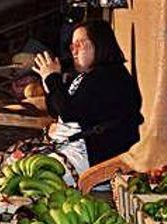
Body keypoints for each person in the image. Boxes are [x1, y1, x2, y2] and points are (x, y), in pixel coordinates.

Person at [32, 19, 143, 187]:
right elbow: (56, 110)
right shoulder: (85, 76)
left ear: (99, 44)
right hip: (69, 148)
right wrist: (48, 80)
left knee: (34, 178)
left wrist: (52, 78)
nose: (74, 51)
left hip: (90, 156)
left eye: (80, 44)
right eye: (72, 46)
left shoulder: (110, 77)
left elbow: (69, 113)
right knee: (13, 165)